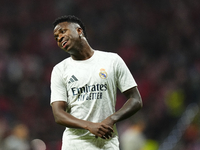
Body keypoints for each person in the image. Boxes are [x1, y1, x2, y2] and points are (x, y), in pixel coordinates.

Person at [50, 15, 142, 150]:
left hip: (106, 144)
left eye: (63, 31)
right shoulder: (60, 70)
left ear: (79, 30)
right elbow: (58, 115)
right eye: (56, 37)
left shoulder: (112, 61)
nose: (59, 38)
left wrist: (112, 119)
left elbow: (135, 99)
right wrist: (89, 125)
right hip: (75, 144)